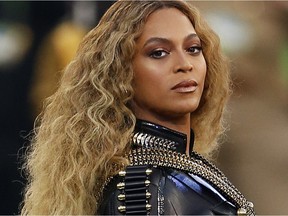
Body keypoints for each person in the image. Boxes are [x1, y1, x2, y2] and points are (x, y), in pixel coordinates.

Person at [21, 1, 255, 215]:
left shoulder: (171, 169)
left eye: (193, 48)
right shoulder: (146, 191)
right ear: (121, 73)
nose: (185, 65)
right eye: (159, 53)